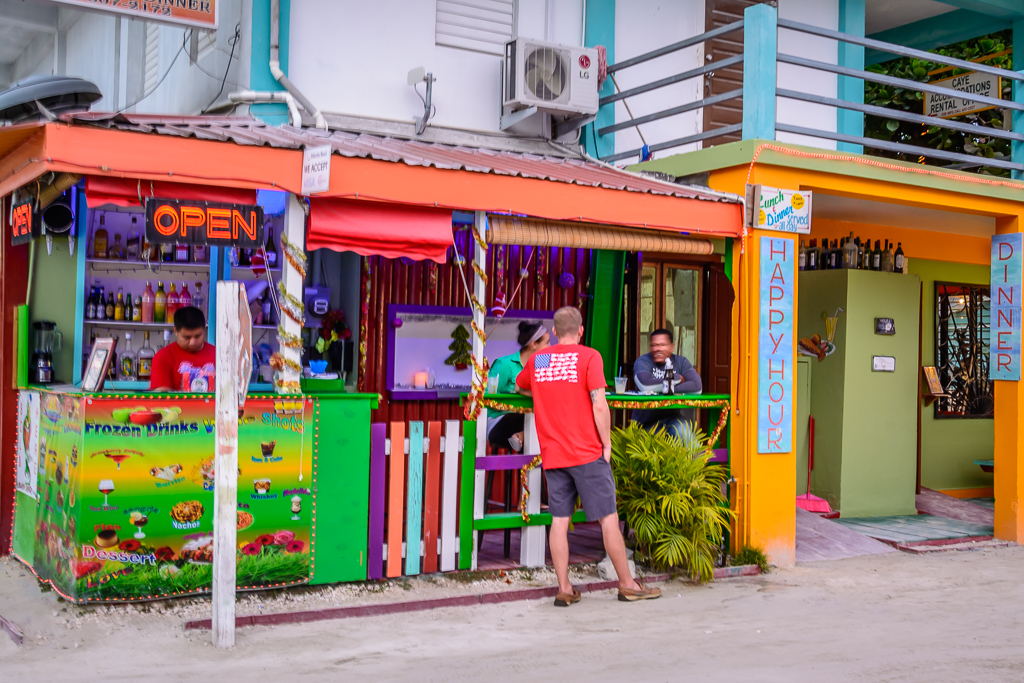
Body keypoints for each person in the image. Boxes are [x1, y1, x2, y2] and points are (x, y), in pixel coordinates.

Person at [517, 306, 661, 606]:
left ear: (554, 332)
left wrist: (544, 394)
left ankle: (565, 588)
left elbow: (521, 387)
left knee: (559, 520)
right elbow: (599, 403)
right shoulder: (590, 356)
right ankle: (627, 584)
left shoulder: (539, 359)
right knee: (608, 518)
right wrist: (606, 444)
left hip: (554, 454)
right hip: (586, 452)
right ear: (580, 330)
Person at [486, 321, 551, 452]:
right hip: (498, 425)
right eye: (547, 342)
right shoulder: (504, 364)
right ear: (533, 344)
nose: (551, 347)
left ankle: (521, 436)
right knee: (528, 414)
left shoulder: (543, 367)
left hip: (529, 424)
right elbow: (487, 398)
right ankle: (522, 435)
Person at [632, 328, 702, 439]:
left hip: (672, 417)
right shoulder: (643, 361)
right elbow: (645, 385)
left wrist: (668, 389)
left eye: (662, 345)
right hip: (645, 421)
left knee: (684, 431)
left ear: (672, 347)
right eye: (654, 345)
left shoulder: (681, 362)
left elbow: (697, 387)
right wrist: (679, 378)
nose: (657, 349)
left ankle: (697, 457)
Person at [149, 306, 216, 392]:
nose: (193, 342)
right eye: (186, 337)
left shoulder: (217, 355)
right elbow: (161, 397)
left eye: (198, 336)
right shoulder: (163, 357)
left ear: (204, 330)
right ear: (176, 331)